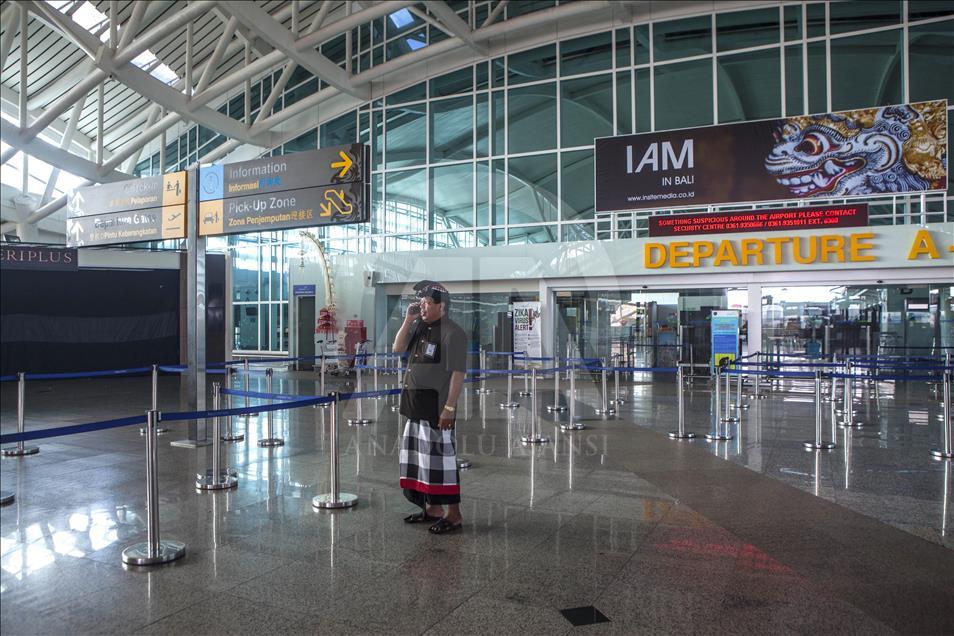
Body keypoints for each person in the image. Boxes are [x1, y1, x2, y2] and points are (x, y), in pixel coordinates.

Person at [392, 280, 467, 534]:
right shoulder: (420, 326)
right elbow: (397, 348)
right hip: (414, 408)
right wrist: (408, 321)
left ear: (442, 306)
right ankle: (433, 509)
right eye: (420, 303)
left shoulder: (453, 333)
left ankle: (453, 514)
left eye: (426, 303)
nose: (421, 307)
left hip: (436, 410)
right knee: (422, 463)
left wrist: (449, 408)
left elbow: (458, 373)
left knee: (442, 464)